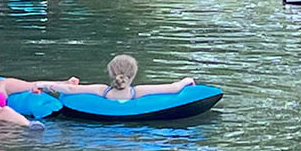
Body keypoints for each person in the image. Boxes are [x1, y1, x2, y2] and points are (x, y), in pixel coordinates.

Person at [45, 54, 195, 102]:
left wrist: (45, 85)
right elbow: (173, 88)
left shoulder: (101, 90)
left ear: (111, 73)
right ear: (133, 74)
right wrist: (186, 80)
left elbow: (70, 89)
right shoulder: (138, 92)